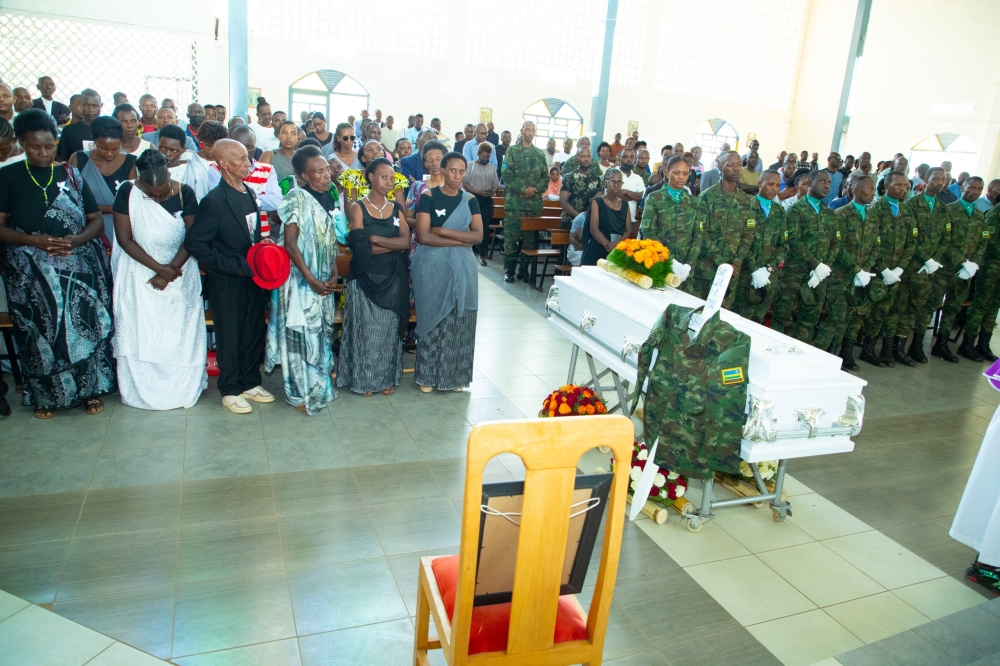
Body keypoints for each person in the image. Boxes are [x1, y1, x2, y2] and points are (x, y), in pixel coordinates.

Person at [0, 109, 115, 418]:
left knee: (85, 327)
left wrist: (75, 241)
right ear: (22, 142)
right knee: (40, 334)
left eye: (49, 146)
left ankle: (91, 389)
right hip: (29, 273)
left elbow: (95, 222)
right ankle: (48, 397)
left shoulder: (71, 175)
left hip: (77, 266)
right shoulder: (8, 175)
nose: (43, 152)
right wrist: (34, 241)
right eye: (35, 146)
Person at [110, 149, 205, 410]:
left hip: (180, 270)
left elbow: (193, 237)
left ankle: (181, 390)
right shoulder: (127, 193)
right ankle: (142, 390)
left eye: (163, 192)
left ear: (170, 175)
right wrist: (158, 269)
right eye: (152, 195)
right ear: (140, 179)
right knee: (143, 332)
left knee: (179, 333)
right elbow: (124, 239)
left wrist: (171, 269)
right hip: (139, 271)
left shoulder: (184, 192)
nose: (159, 197)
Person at [185, 139, 274, 414]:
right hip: (228, 279)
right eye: (242, 159)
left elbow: (251, 232)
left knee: (252, 330)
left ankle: (250, 382)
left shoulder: (247, 191)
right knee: (230, 333)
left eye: (248, 158)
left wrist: (263, 248)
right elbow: (196, 244)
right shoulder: (213, 200)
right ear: (223, 163)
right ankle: (231, 388)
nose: (248, 164)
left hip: (253, 276)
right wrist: (232, 265)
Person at [261, 145, 340, 413]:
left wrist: (333, 272)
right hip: (299, 280)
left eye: (327, 168)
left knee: (321, 336)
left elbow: (329, 239)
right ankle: (299, 393)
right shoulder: (296, 196)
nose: (327, 174)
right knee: (301, 335)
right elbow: (291, 244)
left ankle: (320, 388)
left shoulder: (328, 196)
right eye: (319, 171)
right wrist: (311, 279)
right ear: (305, 176)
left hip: (322, 280)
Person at [336, 157, 411, 397]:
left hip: (393, 276)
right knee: (365, 331)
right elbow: (358, 248)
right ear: (371, 177)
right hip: (365, 277)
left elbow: (406, 242)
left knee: (388, 331)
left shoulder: (397, 208)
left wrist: (374, 240)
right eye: (383, 177)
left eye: (391, 178)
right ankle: (364, 380)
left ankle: (386, 378)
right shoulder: (358, 207)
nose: (388, 182)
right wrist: (391, 244)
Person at [412, 151, 483, 392]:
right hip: (430, 265)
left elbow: (478, 236)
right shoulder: (429, 196)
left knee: (458, 319)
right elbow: (423, 236)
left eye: (461, 171)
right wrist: (461, 240)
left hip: (463, 267)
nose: (457, 176)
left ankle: (454, 378)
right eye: (452, 170)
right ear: (442, 171)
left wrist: (443, 232)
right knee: (432, 318)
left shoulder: (470, 200)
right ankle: (427, 377)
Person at [770, 170, 842, 349]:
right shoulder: (796, 210)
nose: (826, 185)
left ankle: (799, 357)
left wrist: (823, 268)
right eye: (822, 181)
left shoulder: (830, 214)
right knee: (782, 318)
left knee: (809, 320)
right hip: (794, 276)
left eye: (829, 183)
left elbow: (836, 244)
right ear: (810, 182)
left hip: (818, 278)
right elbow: (792, 240)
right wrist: (815, 264)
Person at [861, 171, 916, 368]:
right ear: (886, 187)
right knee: (875, 312)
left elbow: (912, 242)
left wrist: (900, 268)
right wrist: (884, 269)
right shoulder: (875, 210)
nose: (903, 189)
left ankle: (887, 349)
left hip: (897, 273)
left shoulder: (907, 211)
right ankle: (868, 349)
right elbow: (871, 244)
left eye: (906, 186)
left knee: (894, 311)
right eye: (899, 185)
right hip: (879, 272)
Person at [898, 167, 952, 364]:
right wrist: (925, 259)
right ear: (925, 179)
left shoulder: (942, 208)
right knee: (907, 307)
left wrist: (934, 260)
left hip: (933, 269)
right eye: (935, 179)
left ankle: (917, 345)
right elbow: (911, 238)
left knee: (927, 307)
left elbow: (946, 238)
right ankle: (898, 346)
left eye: (943, 180)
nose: (939, 182)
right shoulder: (912, 204)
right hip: (913, 266)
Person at [830, 174, 883, 370]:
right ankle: (832, 354)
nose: (873, 193)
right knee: (838, 317)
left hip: (863, 277)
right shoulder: (842, 214)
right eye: (870, 189)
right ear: (857, 190)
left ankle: (847, 352)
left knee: (856, 317)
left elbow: (876, 245)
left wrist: (866, 270)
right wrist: (856, 270)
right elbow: (838, 247)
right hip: (842, 277)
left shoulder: (871, 215)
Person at [934, 176, 988, 363]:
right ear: (962, 187)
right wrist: (962, 261)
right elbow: (943, 240)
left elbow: (983, 242)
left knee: (953, 308)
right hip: (945, 269)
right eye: (971, 188)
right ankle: (916, 344)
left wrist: (974, 264)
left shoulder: (980, 215)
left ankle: (941, 344)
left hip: (965, 272)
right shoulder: (949, 211)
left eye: (978, 189)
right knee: (930, 306)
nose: (974, 192)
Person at [694, 151, 753, 305]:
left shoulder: (746, 200)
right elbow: (701, 232)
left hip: (733, 270)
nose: (736, 169)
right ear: (719, 166)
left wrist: (736, 262)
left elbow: (749, 233)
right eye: (731, 165)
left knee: (724, 314)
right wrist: (720, 261)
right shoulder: (707, 197)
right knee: (700, 309)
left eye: (739, 165)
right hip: (707, 267)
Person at [68, 115, 138, 243]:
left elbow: (132, 202)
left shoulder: (131, 162)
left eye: (115, 149)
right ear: (93, 141)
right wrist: (112, 209)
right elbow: (72, 199)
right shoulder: (79, 159)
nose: (109, 154)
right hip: (86, 231)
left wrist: (98, 208)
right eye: (103, 148)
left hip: (120, 230)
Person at [732, 170, 786, 323]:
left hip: (769, 276)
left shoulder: (780, 211)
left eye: (777, 185)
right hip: (746, 274)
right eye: (770, 184)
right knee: (740, 320)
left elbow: (783, 244)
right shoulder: (746, 206)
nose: (774, 189)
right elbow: (741, 241)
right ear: (760, 184)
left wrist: (768, 268)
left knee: (759, 320)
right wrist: (755, 269)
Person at [209, 125, 282, 238]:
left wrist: (243, 198)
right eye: (239, 146)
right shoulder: (217, 168)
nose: (245, 152)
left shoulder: (267, 170)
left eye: (250, 147)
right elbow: (222, 204)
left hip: (261, 237)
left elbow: (276, 202)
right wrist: (257, 200)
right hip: (230, 237)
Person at [501, 121, 549, 283]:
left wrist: (535, 190)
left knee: (530, 240)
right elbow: (506, 175)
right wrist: (524, 189)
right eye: (527, 129)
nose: (529, 132)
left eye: (532, 130)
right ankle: (510, 271)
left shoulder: (539, 154)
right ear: (521, 131)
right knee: (511, 239)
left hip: (533, 206)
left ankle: (523, 271)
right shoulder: (512, 151)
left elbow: (545, 177)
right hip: (515, 204)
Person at [961, 179, 1000, 362]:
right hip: (990, 268)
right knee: (980, 306)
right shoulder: (994, 214)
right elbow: (989, 242)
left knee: (993, 308)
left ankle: (983, 344)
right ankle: (967, 344)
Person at [581, 168, 632, 266]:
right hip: (598, 246)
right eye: (613, 182)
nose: (616, 185)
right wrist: (607, 245)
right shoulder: (597, 202)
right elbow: (594, 229)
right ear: (605, 183)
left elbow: (628, 230)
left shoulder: (625, 204)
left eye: (619, 182)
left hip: (618, 247)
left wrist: (615, 244)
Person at [463, 141, 500, 266]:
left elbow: (496, 184)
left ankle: (482, 255)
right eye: (483, 156)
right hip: (472, 198)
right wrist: (477, 191)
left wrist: (490, 191)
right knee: (469, 226)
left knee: (484, 228)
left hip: (486, 200)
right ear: (478, 154)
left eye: (487, 157)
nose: (485, 159)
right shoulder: (470, 165)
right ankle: (470, 251)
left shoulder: (491, 168)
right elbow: (465, 182)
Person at [404, 140, 447, 228]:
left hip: (449, 237)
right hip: (421, 238)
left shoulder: (455, 186)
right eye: (430, 160)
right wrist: (427, 226)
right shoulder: (417, 187)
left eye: (438, 159)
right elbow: (407, 218)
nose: (434, 163)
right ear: (425, 164)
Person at [559, 146, 603, 233]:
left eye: (588, 156)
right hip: (570, 221)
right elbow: (563, 202)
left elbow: (599, 201)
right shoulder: (569, 177)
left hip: (590, 222)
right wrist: (580, 217)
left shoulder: (596, 178)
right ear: (577, 158)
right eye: (583, 156)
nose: (586, 159)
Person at [56, 88, 101, 161]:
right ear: (81, 105)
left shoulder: (108, 128)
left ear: (101, 106)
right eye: (86, 105)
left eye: (95, 106)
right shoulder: (69, 130)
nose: (91, 109)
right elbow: (62, 159)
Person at [616, 147, 645, 221]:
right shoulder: (612, 173)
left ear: (635, 159)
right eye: (625, 157)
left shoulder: (638, 178)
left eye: (632, 157)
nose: (629, 159)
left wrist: (626, 191)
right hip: (613, 218)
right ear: (619, 158)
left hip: (631, 219)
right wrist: (634, 196)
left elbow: (641, 197)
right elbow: (615, 194)